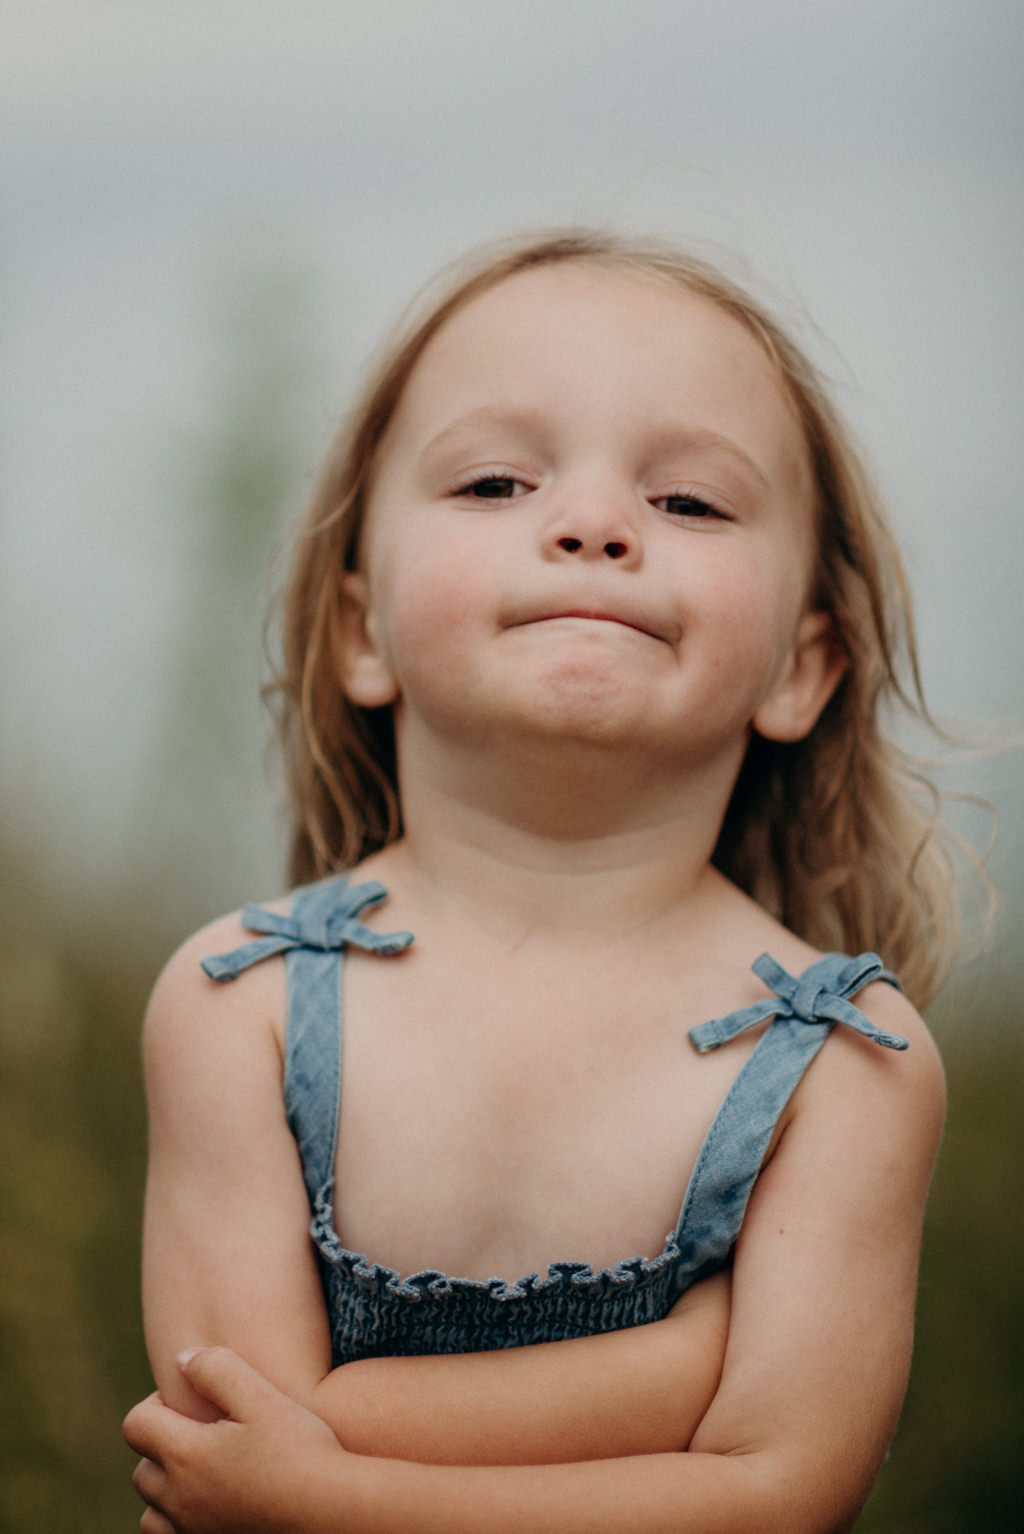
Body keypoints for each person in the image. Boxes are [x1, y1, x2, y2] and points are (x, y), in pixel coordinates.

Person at [123, 230, 953, 1533]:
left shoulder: (848, 1065)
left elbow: (781, 1496)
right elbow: (231, 1439)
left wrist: (330, 1489)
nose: (590, 523)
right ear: (363, 629)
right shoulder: (244, 1006)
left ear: (805, 664)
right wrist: (676, 1369)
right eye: (498, 480)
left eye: (688, 502)